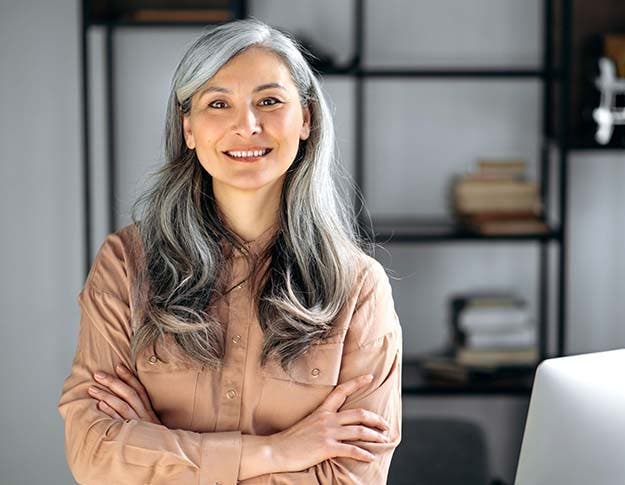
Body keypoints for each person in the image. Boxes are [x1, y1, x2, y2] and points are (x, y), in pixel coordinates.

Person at [57, 18, 402, 485]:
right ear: (189, 128)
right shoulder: (126, 264)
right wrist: (278, 452)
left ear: (306, 120)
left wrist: (154, 446)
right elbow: (93, 455)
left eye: (269, 101)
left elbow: (350, 478)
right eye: (218, 103)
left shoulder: (358, 287)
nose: (247, 125)